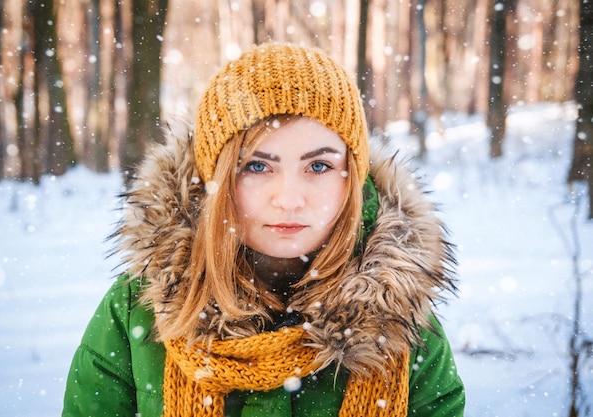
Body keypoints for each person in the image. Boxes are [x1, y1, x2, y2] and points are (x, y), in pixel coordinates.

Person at [62, 42, 464, 417]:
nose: (289, 199)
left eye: (319, 166)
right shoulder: (139, 309)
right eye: (257, 166)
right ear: (216, 179)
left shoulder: (403, 324)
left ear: (351, 179)